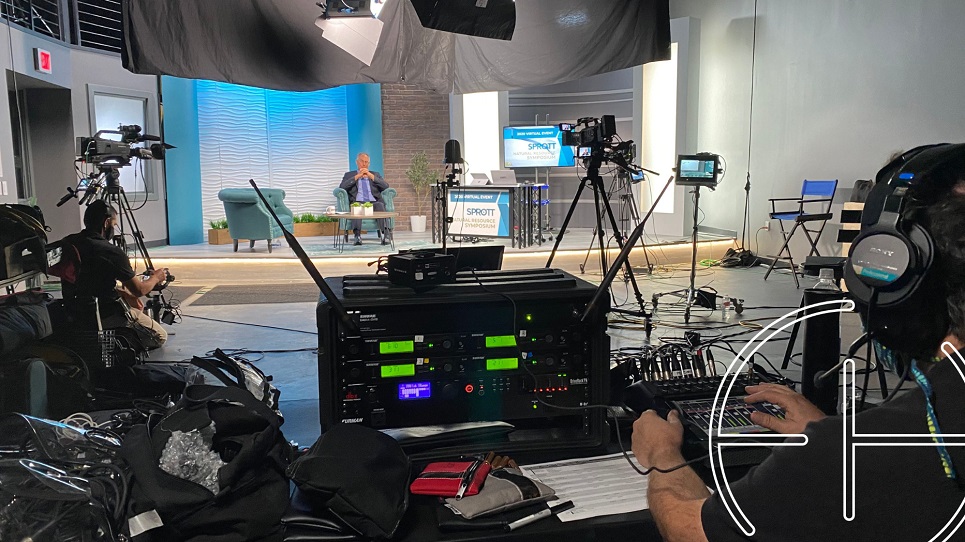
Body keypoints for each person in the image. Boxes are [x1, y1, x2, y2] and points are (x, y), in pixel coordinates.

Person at [632, 145, 965, 541]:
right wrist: (827, 432)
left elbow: (689, 531)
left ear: (894, 279)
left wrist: (661, 454)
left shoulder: (864, 453)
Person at [60, 200, 168, 350]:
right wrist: (156, 277)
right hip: (106, 314)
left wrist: (122, 293)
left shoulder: (69, 242)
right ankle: (116, 342)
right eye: (114, 224)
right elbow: (139, 290)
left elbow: (89, 280)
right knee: (160, 336)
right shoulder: (111, 252)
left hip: (74, 312)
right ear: (106, 223)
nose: (114, 229)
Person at [339, 152, 390, 245]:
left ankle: (386, 235)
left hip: (373, 202)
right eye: (362, 161)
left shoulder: (375, 174)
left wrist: (371, 176)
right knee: (357, 207)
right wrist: (357, 176)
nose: (364, 164)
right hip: (358, 201)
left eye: (366, 162)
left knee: (380, 205)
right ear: (357, 162)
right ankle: (357, 236)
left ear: (369, 163)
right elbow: (342, 187)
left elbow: (386, 186)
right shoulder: (349, 175)